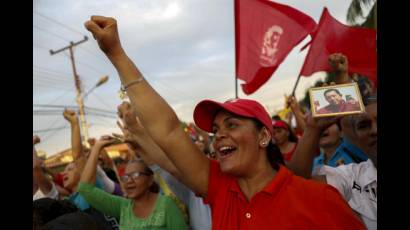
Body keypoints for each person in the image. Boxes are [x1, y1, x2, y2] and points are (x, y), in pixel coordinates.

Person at [84, 16, 364, 229]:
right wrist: (116, 54)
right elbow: (168, 130)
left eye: (232, 125)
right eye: (216, 129)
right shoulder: (219, 187)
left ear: (264, 137)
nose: (218, 136)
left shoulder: (320, 200)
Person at [117, 101, 212, 230]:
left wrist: (136, 128)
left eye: (232, 126)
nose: (129, 181)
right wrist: (138, 142)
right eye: (126, 177)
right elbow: (162, 164)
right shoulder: (193, 192)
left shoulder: (217, 180)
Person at [290, 94, 377, 229]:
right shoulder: (352, 178)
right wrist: (313, 128)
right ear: (357, 137)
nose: (374, 130)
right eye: (363, 125)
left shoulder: (348, 151)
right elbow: (296, 183)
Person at [78, 135, 187, 229]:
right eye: (125, 177)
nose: (129, 181)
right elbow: (85, 189)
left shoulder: (166, 205)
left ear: (150, 180)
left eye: (135, 175)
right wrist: (97, 148)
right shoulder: (122, 207)